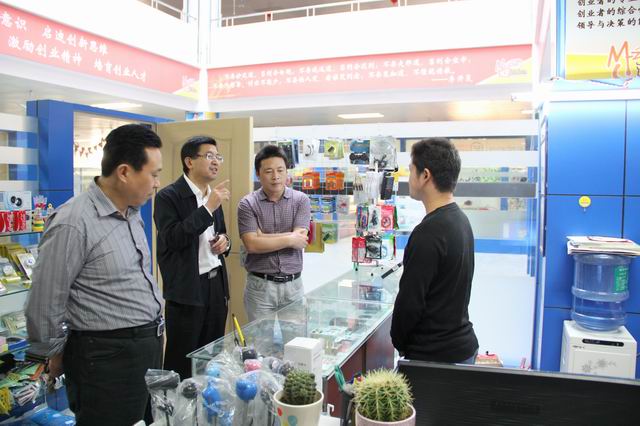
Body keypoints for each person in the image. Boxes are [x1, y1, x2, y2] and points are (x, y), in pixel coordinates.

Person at [25, 124, 164, 426]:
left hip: (144, 350)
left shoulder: (132, 213)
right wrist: (52, 354)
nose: (157, 183)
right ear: (124, 172)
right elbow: (45, 299)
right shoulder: (73, 222)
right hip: (105, 359)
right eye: (153, 174)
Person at [390, 137, 479, 364]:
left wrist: (399, 343)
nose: (409, 178)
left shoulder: (428, 232)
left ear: (425, 176)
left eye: (411, 170)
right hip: (461, 348)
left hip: (435, 358)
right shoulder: (461, 220)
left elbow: (410, 303)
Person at [154, 136, 231, 380]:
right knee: (183, 359)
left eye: (218, 157)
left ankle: (209, 399)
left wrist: (225, 242)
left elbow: (221, 233)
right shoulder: (168, 196)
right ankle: (178, 403)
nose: (216, 161)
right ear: (189, 161)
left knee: (213, 356)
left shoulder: (212, 195)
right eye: (209, 156)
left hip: (216, 286)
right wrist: (207, 208)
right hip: (187, 290)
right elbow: (173, 238)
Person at [238, 145, 311, 322]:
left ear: (287, 172)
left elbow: (300, 239)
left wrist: (262, 237)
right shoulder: (247, 204)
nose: (275, 176)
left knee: (296, 339)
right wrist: (290, 238)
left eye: (280, 170)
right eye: (269, 171)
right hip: (260, 287)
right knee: (260, 338)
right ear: (258, 174)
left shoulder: (301, 200)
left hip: (293, 286)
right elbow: (251, 245)